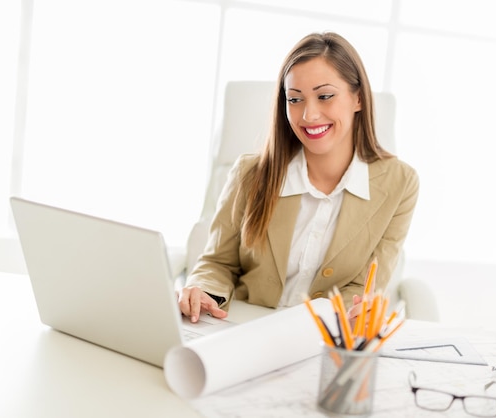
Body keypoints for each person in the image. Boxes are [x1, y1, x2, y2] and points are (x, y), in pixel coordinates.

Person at [178, 31, 419, 323]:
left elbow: (366, 285)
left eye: (325, 96)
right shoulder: (250, 174)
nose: (308, 115)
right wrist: (202, 290)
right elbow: (217, 263)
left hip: (321, 336)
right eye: (295, 99)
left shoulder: (399, 184)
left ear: (358, 98)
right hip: (243, 327)